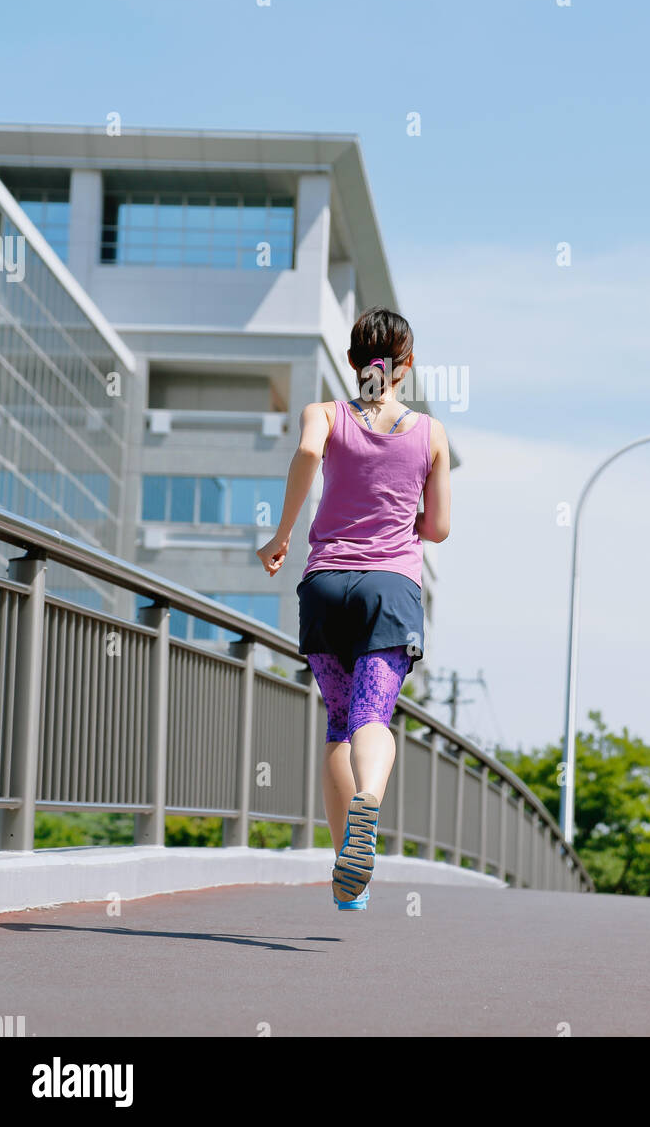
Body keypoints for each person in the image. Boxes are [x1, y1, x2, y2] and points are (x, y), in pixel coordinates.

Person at [256, 307, 451, 910]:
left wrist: (283, 533)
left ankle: (348, 873)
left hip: (324, 586)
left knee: (339, 724)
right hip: (388, 588)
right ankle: (370, 801)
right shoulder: (429, 433)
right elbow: (439, 528)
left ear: (350, 362)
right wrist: (400, 513)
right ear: (406, 365)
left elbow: (309, 456)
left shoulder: (325, 414)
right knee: (372, 718)